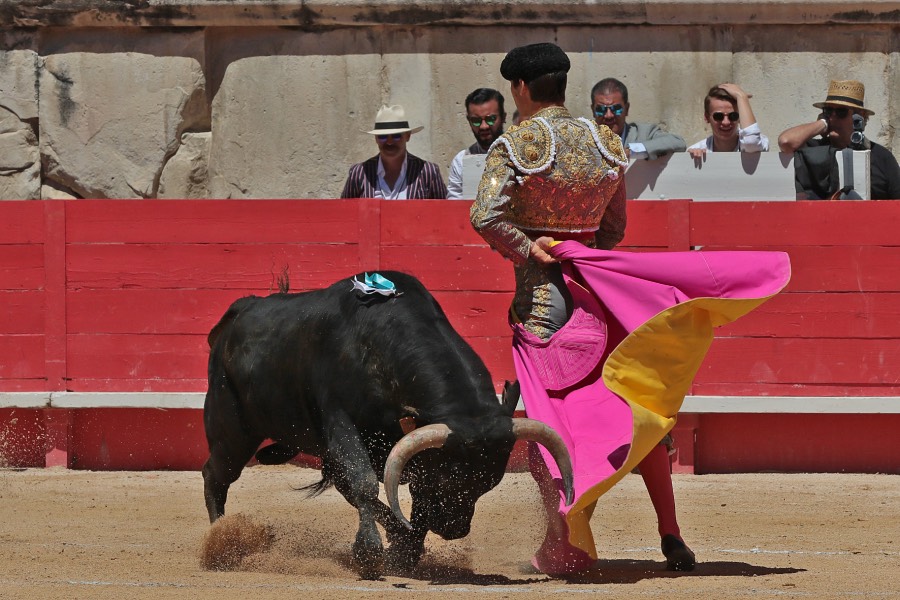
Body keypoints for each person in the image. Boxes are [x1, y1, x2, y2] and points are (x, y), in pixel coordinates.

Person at [471, 43, 790, 576]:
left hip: (544, 305)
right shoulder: (604, 140)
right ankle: (671, 533)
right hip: (601, 298)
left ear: (521, 89)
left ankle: (567, 541)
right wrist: (584, 253)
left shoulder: (518, 142)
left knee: (554, 424)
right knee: (635, 408)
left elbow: (485, 215)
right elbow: (613, 230)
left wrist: (531, 248)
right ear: (564, 85)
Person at [777, 80, 900, 200]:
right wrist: (822, 123)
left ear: (860, 117)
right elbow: (786, 141)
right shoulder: (812, 150)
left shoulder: (881, 157)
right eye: (828, 111)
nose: (833, 117)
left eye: (841, 111)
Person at [340, 105, 447, 199]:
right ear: (376, 139)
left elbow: (444, 212)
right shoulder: (360, 173)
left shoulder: (427, 171)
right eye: (383, 137)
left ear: (407, 136)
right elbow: (345, 213)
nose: (389, 142)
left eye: (396, 136)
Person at [591, 77, 686, 160]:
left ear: (627, 109)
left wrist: (632, 151)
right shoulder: (583, 141)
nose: (608, 115)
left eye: (616, 109)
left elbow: (678, 142)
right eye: (601, 109)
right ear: (593, 111)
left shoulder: (644, 134)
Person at [447, 88, 507, 199]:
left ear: (503, 117)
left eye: (491, 119)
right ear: (468, 120)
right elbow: (454, 206)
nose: (484, 126)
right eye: (476, 120)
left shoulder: (520, 155)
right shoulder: (461, 161)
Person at [687, 84, 769, 159]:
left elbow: (751, 141)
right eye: (718, 116)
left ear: (740, 117)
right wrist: (692, 159)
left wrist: (741, 97)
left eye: (733, 116)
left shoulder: (760, 142)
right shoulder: (697, 149)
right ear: (707, 117)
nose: (726, 122)